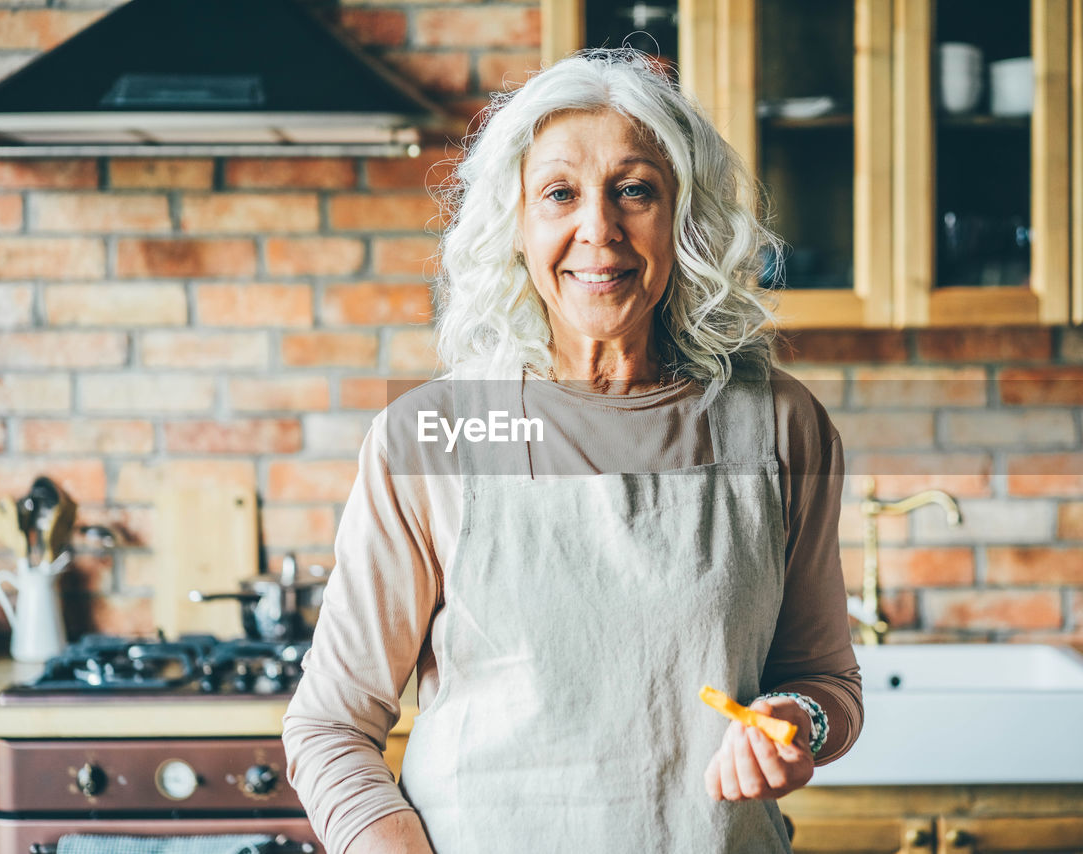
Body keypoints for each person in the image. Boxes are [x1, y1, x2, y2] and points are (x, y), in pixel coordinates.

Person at [282, 48, 862, 854]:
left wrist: (800, 723)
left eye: (634, 190)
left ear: (682, 218)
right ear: (517, 224)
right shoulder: (435, 435)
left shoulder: (777, 425)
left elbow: (828, 685)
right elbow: (329, 726)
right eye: (559, 193)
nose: (600, 230)